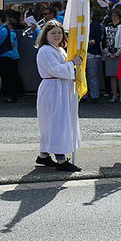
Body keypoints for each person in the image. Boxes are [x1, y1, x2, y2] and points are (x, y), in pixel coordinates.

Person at [35, 20, 82, 172]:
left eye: (59, 32)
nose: (57, 35)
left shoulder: (59, 49)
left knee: (53, 124)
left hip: (60, 88)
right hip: (53, 89)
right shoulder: (45, 51)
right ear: (45, 35)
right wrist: (72, 64)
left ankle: (43, 156)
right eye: (53, 33)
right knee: (56, 124)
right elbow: (56, 70)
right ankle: (61, 160)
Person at [103, 6, 121, 102]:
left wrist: (117, 53)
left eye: (115, 15)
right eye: (112, 15)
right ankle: (114, 95)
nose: (113, 17)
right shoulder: (107, 28)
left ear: (119, 17)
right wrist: (108, 54)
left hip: (119, 53)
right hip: (109, 53)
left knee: (120, 76)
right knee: (112, 75)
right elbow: (103, 42)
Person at [85, 17, 104, 103]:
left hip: (93, 53)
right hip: (82, 53)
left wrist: (93, 41)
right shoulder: (80, 25)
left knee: (93, 75)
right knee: (82, 75)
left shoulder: (96, 25)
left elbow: (99, 38)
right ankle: (83, 95)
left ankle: (94, 95)